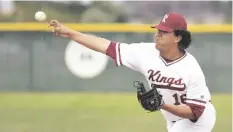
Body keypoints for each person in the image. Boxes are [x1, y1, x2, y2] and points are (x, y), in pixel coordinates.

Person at [49, 12, 216, 132]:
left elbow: (195, 112)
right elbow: (106, 46)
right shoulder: (145, 52)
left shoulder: (191, 68)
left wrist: (162, 105)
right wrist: (70, 33)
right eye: (158, 30)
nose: (157, 34)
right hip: (172, 120)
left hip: (197, 121)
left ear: (178, 37)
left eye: (164, 32)